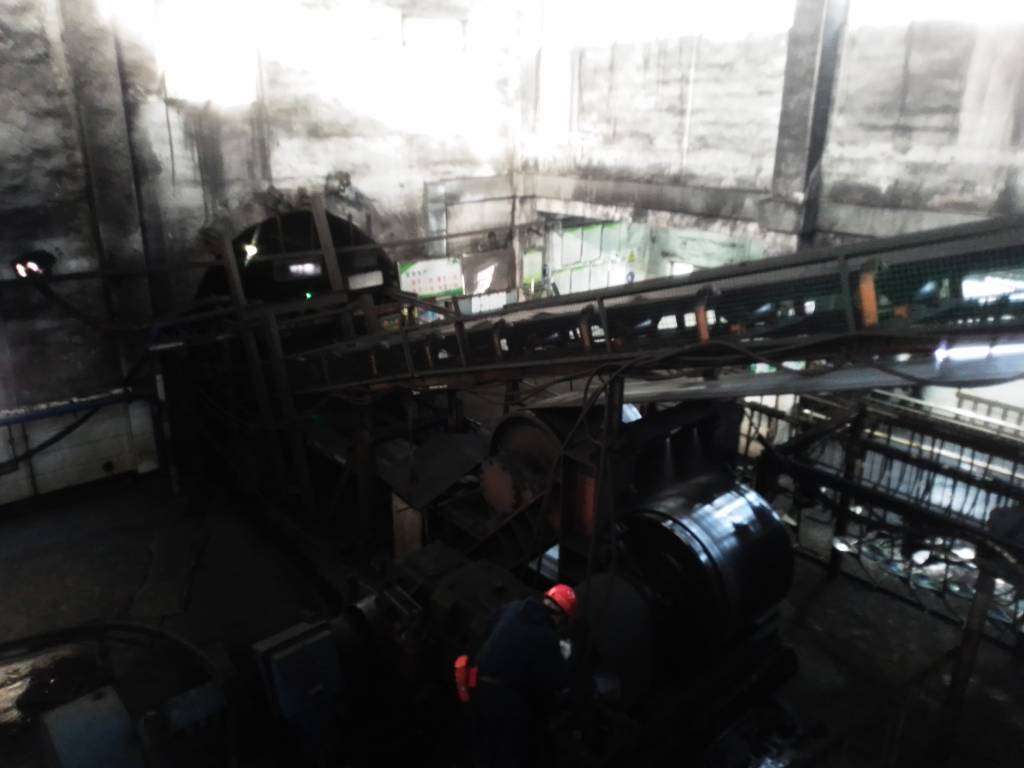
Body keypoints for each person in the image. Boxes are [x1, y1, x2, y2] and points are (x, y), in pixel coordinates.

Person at [455, 584, 576, 768]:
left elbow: (488, 627)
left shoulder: (514, 607)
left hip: (477, 685)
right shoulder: (547, 637)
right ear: (561, 617)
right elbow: (553, 682)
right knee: (508, 753)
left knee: (481, 747)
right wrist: (565, 658)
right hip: (504, 701)